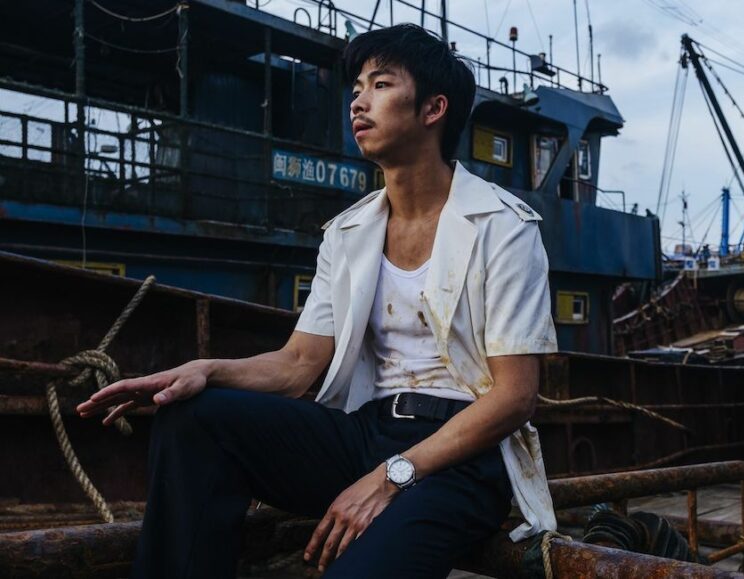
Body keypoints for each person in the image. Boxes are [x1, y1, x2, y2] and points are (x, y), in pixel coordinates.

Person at [77, 23, 558, 578]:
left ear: (433, 109)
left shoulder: (504, 225)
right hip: (366, 433)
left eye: (380, 84)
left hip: (464, 455)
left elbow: (515, 397)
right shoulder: (348, 232)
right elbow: (298, 363)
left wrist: (390, 477)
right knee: (195, 418)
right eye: (356, 87)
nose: (358, 99)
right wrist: (204, 370)